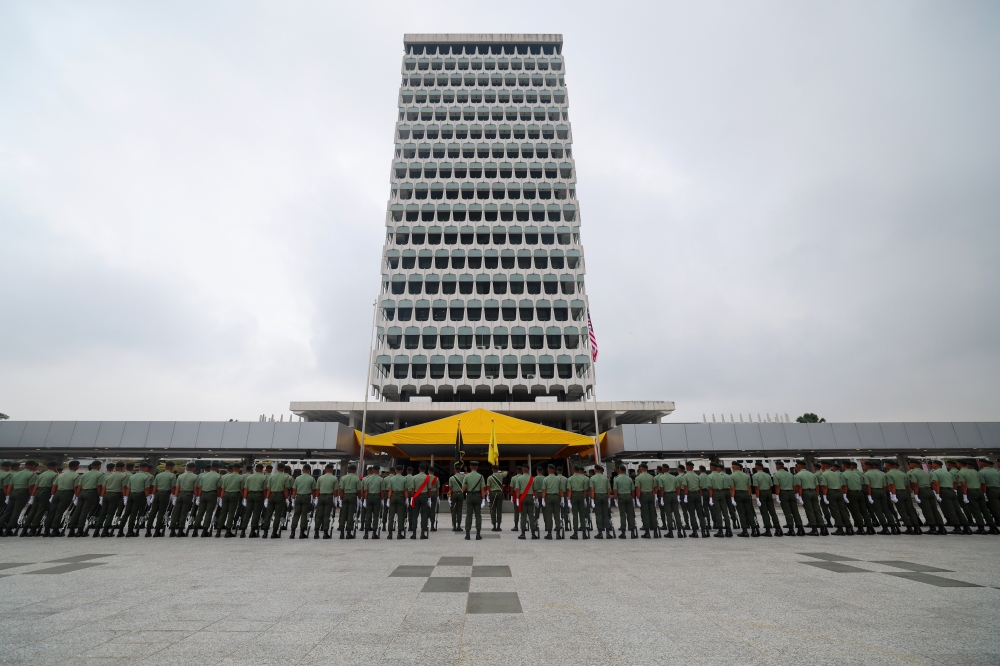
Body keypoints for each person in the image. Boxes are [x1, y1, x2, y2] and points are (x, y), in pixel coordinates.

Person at [930, 460, 967, 535]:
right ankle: (966, 526)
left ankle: (957, 527)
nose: (932, 465)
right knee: (958, 510)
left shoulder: (935, 473)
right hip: (951, 491)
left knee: (950, 510)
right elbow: (954, 482)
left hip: (944, 491)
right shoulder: (947, 472)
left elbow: (936, 484)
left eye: (933, 464)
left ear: (935, 465)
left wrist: (937, 494)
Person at [70, 460, 105, 537]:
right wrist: (100, 496)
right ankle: (80, 529)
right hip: (91, 493)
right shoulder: (100, 474)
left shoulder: (84, 475)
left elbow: (79, 486)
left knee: (77, 511)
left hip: (82, 493)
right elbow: (99, 486)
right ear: (99, 466)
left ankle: (71, 529)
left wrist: (77, 496)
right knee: (84, 511)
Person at [23, 461, 58, 537]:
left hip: (38, 492)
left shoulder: (41, 474)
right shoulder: (55, 475)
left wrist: (32, 495)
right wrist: (52, 495)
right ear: (55, 467)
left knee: (33, 510)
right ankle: (33, 529)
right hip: (46, 492)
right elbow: (54, 486)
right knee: (40, 511)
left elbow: (36, 485)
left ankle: (25, 528)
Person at [46, 461, 81, 537]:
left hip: (57, 493)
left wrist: (52, 495)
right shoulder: (76, 476)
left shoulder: (60, 475)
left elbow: (54, 486)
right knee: (59, 512)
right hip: (67, 494)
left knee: (52, 511)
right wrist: (76, 496)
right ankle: (55, 530)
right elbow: (76, 487)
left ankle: (46, 529)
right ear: (76, 467)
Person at [908, 460, 944, 535]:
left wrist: (916, 495)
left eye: (910, 464)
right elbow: (932, 483)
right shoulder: (926, 472)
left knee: (927, 510)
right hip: (929, 491)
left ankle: (933, 528)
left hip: (922, 491)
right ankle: (941, 527)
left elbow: (915, 485)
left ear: (912, 464)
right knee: (934, 510)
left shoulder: (912, 473)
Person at [5, 460, 38, 536]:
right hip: (22, 493)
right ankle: (8, 529)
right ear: (32, 466)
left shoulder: (16, 474)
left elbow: (10, 486)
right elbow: (30, 487)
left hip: (13, 491)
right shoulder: (31, 474)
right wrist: (32, 496)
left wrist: (8, 496)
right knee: (16, 511)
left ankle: (1, 525)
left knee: (8, 510)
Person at [862, 460, 893, 535]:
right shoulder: (882, 473)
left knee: (878, 510)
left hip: (873, 492)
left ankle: (885, 528)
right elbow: (885, 486)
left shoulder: (866, 474)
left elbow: (868, 486)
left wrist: (869, 496)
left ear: (866, 466)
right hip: (882, 491)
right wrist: (884, 493)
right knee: (886, 510)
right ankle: (894, 526)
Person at [842, 461, 874, 535]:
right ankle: (870, 528)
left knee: (856, 512)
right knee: (864, 511)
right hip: (860, 493)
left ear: (844, 466)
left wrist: (844, 495)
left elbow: (845, 486)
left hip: (851, 493)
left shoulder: (843, 474)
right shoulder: (858, 474)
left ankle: (861, 528)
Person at [168, 462, 199, 537]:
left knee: (176, 512)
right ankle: (180, 530)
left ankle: (172, 529)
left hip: (180, 494)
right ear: (194, 468)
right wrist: (197, 496)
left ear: (186, 468)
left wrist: (175, 497)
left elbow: (177, 488)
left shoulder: (180, 476)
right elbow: (195, 489)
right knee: (184, 513)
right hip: (188, 495)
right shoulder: (196, 477)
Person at [261, 463, 291, 538]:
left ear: (277, 468)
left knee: (268, 514)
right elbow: (285, 489)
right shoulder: (286, 477)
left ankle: (265, 532)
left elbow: (268, 489)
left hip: (271, 496)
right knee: (277, 515)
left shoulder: (271, 477)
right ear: (283, 469)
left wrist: (267, 499)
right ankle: (274, 532)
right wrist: (287, 499)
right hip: (280, 496)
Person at [193, 462, 222, 537]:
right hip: (212, 494)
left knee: (200, 512)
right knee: (209, 513)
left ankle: (195, 530)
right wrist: (219, 497)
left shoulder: (204, 476)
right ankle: (205, 530)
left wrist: (198, 496)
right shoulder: (218, 476)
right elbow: (218, 488)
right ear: (217, 468)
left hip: (203, 494)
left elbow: (200, 487)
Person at [751, 462, 781, 537]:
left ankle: (768, 529)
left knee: (764, 512)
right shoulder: (768, 475)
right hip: (768, 492)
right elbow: (771, 486)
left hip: (761, 493)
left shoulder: (755, 475)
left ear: (756, 468)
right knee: (772, 511)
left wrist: (757, 498)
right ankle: (778, 528)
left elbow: (757, 488)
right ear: (763, 467)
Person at [289, 464, 317, 539]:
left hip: (298, 497)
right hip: (306, 497)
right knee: (304, 514)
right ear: (309, 470)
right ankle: (302, 533)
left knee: (296, 514)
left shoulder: (297, 478)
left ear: (303, 469)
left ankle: (292, 532)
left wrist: (293, 499)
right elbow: (314, 490)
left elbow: (294, 489)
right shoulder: (312, 479)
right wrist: (314, 499)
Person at [729, 461, 755, 537]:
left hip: (738, 495)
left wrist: (732, 498)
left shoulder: (732, 476)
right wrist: (749, 495)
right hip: (746, 494)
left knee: (741, 513)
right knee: (749, 512)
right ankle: (754, 529)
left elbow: (732, 488)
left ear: (733, 467)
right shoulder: (746, 476)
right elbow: (749, 487)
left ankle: (745, 530)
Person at [462, 460, 486, 540]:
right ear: (477, 467)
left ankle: (467, 534)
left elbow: (463, 489)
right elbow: (483, 489)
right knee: (478, 515)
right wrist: (483, 500)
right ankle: (478, 534)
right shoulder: (481, 476)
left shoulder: (466, 476)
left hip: (469, 496)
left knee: (469, 515)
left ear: (470, 467)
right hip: (478, 496)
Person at [408, 462, 433, 539]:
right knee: (424, 515)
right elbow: (429, 489)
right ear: (425, 470)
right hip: (424, 496)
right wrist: (429, 498)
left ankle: (414, 534)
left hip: (416, 496)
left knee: (415, 514)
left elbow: (412, 489)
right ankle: (422, 534)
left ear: (419, 469)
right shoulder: (427, 478)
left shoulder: (414, 477)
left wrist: (412, 497)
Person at [314, 464, 339, 539]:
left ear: (325, 469)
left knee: (319, 515)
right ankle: (325, 533)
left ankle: (316, 532)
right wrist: (335, 499)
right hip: (329, 497)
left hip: (321, 497)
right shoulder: (334, 478)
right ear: (332, 469)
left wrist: (316, 498)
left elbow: (317, 489)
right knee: (326, 515)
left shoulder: (320, 478)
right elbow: (335, 490)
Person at [566, 463, 590, 540]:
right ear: (579, 470)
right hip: (581, 496)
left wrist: (569, 500)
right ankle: (584, 533)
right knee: (582, 514)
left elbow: (569, 490)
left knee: (575, 514)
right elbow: (584, 490)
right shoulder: (583, 478)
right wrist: (584, 499)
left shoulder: (570, 479)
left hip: (574, 496)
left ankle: (575, 533)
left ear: (573, 469)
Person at [613, 463, 637, 539]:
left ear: (619, 470)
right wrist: (633, 498)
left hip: (621, 497)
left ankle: (623, 533)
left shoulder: (616, 479)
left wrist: (615, 499)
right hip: (629, 496)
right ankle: (632, 532)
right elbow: (632, 490)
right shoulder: (629, 479)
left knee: (622, 515)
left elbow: (615, 490)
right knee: (630, 514)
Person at [633, 463, 657, 539]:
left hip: (643, 495)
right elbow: (654, 489)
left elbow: (638, 490)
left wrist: (637, 499)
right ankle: (655, 532)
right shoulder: (652, 477)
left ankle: (647, 532)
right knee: (653, 513)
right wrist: (654, 497)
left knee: (645, 513)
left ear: (640, 469)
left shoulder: (638, 478)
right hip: (650, 495)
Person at [541, 463, 563, 540]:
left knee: (548, 515)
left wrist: (543, 499)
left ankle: (549, 534)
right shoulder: (558, 479)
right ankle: (558, 534)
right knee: (557, 515)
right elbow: (560, 490)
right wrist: (562, 498)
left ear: (549, 470)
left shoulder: (545, 479)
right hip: (556, 497)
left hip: (549, 497)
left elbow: (544, 490)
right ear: (554, 470)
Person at [338, 464, 361, 539]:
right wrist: (359, 498)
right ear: (355, 470)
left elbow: (341, 490)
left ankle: (341, 532)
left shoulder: (343, 478)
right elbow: (359, 491)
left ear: (348, 470)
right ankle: (348, 533)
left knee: (343, 514)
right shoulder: (357, 479)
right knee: (350, 514)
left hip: (345, 496)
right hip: (353, 496)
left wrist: (340, 498)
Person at [361, 465, 384, 539]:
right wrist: (382, 499)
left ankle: (366, 533)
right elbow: (382, 491)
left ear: (372, 470)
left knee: (368, 515)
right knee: (376, 516)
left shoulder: (367, 479)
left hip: (369, 497)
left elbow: (366, 491)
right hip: (377, 497)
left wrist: (365, 499)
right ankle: (374, 533)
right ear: (379, 470)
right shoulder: (381, 479)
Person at [589, 464, 612, 539]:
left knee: (598, 514)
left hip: (597, 496)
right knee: (606, 514)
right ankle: (608, 532)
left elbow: (592, 490)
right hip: (605, 496)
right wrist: (608, 498)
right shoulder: (605, 478)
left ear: (595, 470)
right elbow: (608, 489)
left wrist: (592, 500)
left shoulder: (592, 478)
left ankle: (600, 532)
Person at [386, 465, 407, 539]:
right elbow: (406, 490)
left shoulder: (391, 479)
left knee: (391, 515)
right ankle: (399, 533)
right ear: (402, 471)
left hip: (393, 496)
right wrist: (407, 499)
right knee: (400, 515)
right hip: (401, 496)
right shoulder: (404, 478)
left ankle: (390, 533)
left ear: (395, 470)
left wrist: (388, 499)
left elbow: (390, 490)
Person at [487, 467, 507, 532]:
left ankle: (494, 526)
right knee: (499, 510)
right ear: (498, 470)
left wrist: (488, 496)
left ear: (492, 469)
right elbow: (506, 472)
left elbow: (488, 488)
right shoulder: (501, 475)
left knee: (493, 509)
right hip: (499, 493)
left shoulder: (489, 477)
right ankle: (498, 526)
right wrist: (500, 471)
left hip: (492, 493)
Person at [448, 463, 465, 533]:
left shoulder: (451, 478)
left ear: (455, 470)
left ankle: (454, 526)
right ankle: (459, 525)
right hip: (461, 494)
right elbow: (464, 486)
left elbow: (450, 489)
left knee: (454, 510)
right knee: (459, 510)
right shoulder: (463, 477)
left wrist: (449, 496)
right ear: (460, 470)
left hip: (454, 494)